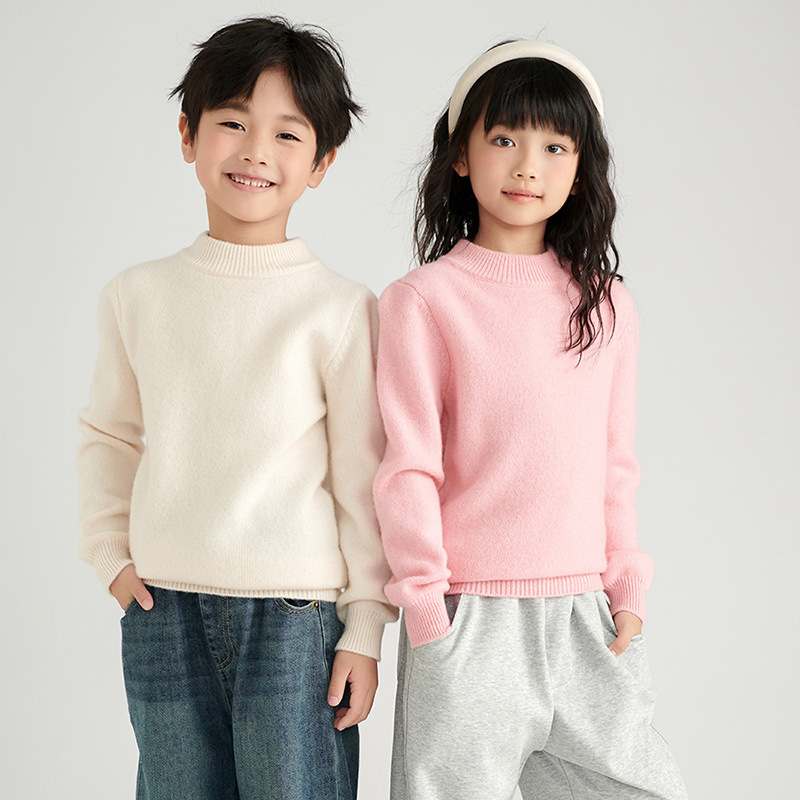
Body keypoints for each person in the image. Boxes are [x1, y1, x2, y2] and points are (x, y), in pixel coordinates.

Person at [77, 16, 396, 800]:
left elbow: (364, 478)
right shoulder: (138, 295)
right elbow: (109, 435)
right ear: (188, 135)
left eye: (288, 134)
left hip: (295, 617)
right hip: (162, 606)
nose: (256, 151)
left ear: (321, 162)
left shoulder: (339, 309)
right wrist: (111, 554)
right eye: (232, 123)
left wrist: (363, 626)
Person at [374, 40, 688, 799]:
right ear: (461, 155)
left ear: (581, 168)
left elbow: (615, 462)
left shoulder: (606, 304)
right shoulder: (423, 300)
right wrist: (427, 610)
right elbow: (408, 466)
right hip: (467, 616)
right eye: (505, 138)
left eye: (555, 146)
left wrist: (626, 589)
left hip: (587, 613)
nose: (527, 166)